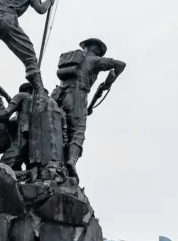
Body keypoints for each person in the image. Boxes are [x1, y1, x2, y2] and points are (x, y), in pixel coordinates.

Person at [51, 38, 126, 173]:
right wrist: (108, 83)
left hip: (58, 96)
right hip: (77, 97)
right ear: (97, 49)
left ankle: (58, 165)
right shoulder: (94, 60)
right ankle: (71, 162)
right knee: (77, 133)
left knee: (61, 132)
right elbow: (121, 64)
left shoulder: (72, 58)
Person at [0, 82, 34, 170]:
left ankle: (29, 173)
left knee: (0, 169)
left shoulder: (23, 95)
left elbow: (7, 112)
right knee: (15, 169)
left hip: (20, 139)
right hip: (31, 141)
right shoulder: (35, 103)